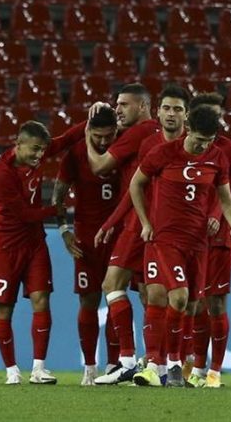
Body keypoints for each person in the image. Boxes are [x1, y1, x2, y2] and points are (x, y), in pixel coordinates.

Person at [130, 105, 231, 388]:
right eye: (199, 140)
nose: (203, 146)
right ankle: (172, 365)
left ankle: (173, 364)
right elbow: (136, 184)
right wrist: (145, 222)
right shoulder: (164, 153)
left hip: (198, 242)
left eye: (209, 141)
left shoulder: (217, 157)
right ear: (188, 129)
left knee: (192, 306)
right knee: (177, 296)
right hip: (167, 239)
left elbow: (225, 197)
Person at [93, 85, 191, 384]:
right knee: (145, 291)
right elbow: (137, 185)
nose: (171, 114)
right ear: (158, 111)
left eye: (177, 109)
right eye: (167, 108)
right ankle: (145, 362)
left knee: (162, 295)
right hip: (143, 223)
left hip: (165, 229)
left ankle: (158, 363)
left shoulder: (190, 144)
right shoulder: (150, 143)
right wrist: (112, 221)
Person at [0, 120, 84, 385]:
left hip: (34, 243)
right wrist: (57, 210)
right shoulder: (1, 173)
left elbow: (66, 139)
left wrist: (93, 115)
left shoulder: (36, 155)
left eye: (42, 150)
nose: (40, 155)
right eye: (34, 150)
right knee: (4, 307)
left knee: (42, 299)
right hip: (6, 245)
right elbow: (23, 214)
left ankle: (38, 368)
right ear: (18, 144)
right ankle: (11, 370)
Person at [80, 84, 161, 385]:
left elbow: (99, 165)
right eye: (116, 104)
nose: (118, 110)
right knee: (149, 293)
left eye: (124, 104)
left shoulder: (140, 133)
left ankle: (127, 361)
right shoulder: (152, 133)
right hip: (150, 218)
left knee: (112, 283)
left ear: (143, 106)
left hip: (138, 222)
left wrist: (87, 135)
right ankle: (157, 363)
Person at [51, 107, 121, 385]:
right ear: (88, 131)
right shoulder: (76, 153)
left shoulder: (125, 148)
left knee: (116, 299)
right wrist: (63, 230)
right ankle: (90, 367)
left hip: (117, 238)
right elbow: (58, 193)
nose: (103, 142)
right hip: (86, 240)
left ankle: (114, 366)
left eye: (108, 136)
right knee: (89, 300)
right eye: (97, 136)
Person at [183, 93, 231, 388]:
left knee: (217, 303)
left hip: (219, 236)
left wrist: (222, 219)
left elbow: (229, 194)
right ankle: (196, 366)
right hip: (189, 236)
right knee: (194, 303)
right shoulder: (181, 149)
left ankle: (215, 371)